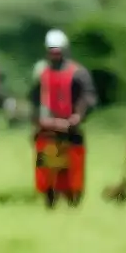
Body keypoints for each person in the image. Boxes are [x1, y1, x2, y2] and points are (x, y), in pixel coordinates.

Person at [32, 29, 97, 209]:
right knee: (47, 174)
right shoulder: (41, 73)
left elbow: (89, 97)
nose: (55, 55)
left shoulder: (78, 73)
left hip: (70, 131)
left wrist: (78, 116)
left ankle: (73, 202)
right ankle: (49, 203)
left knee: (72, 175)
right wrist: (37, 119)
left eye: (57, 51)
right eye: (52, 51)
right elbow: (35, 100)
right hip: (48, 132)